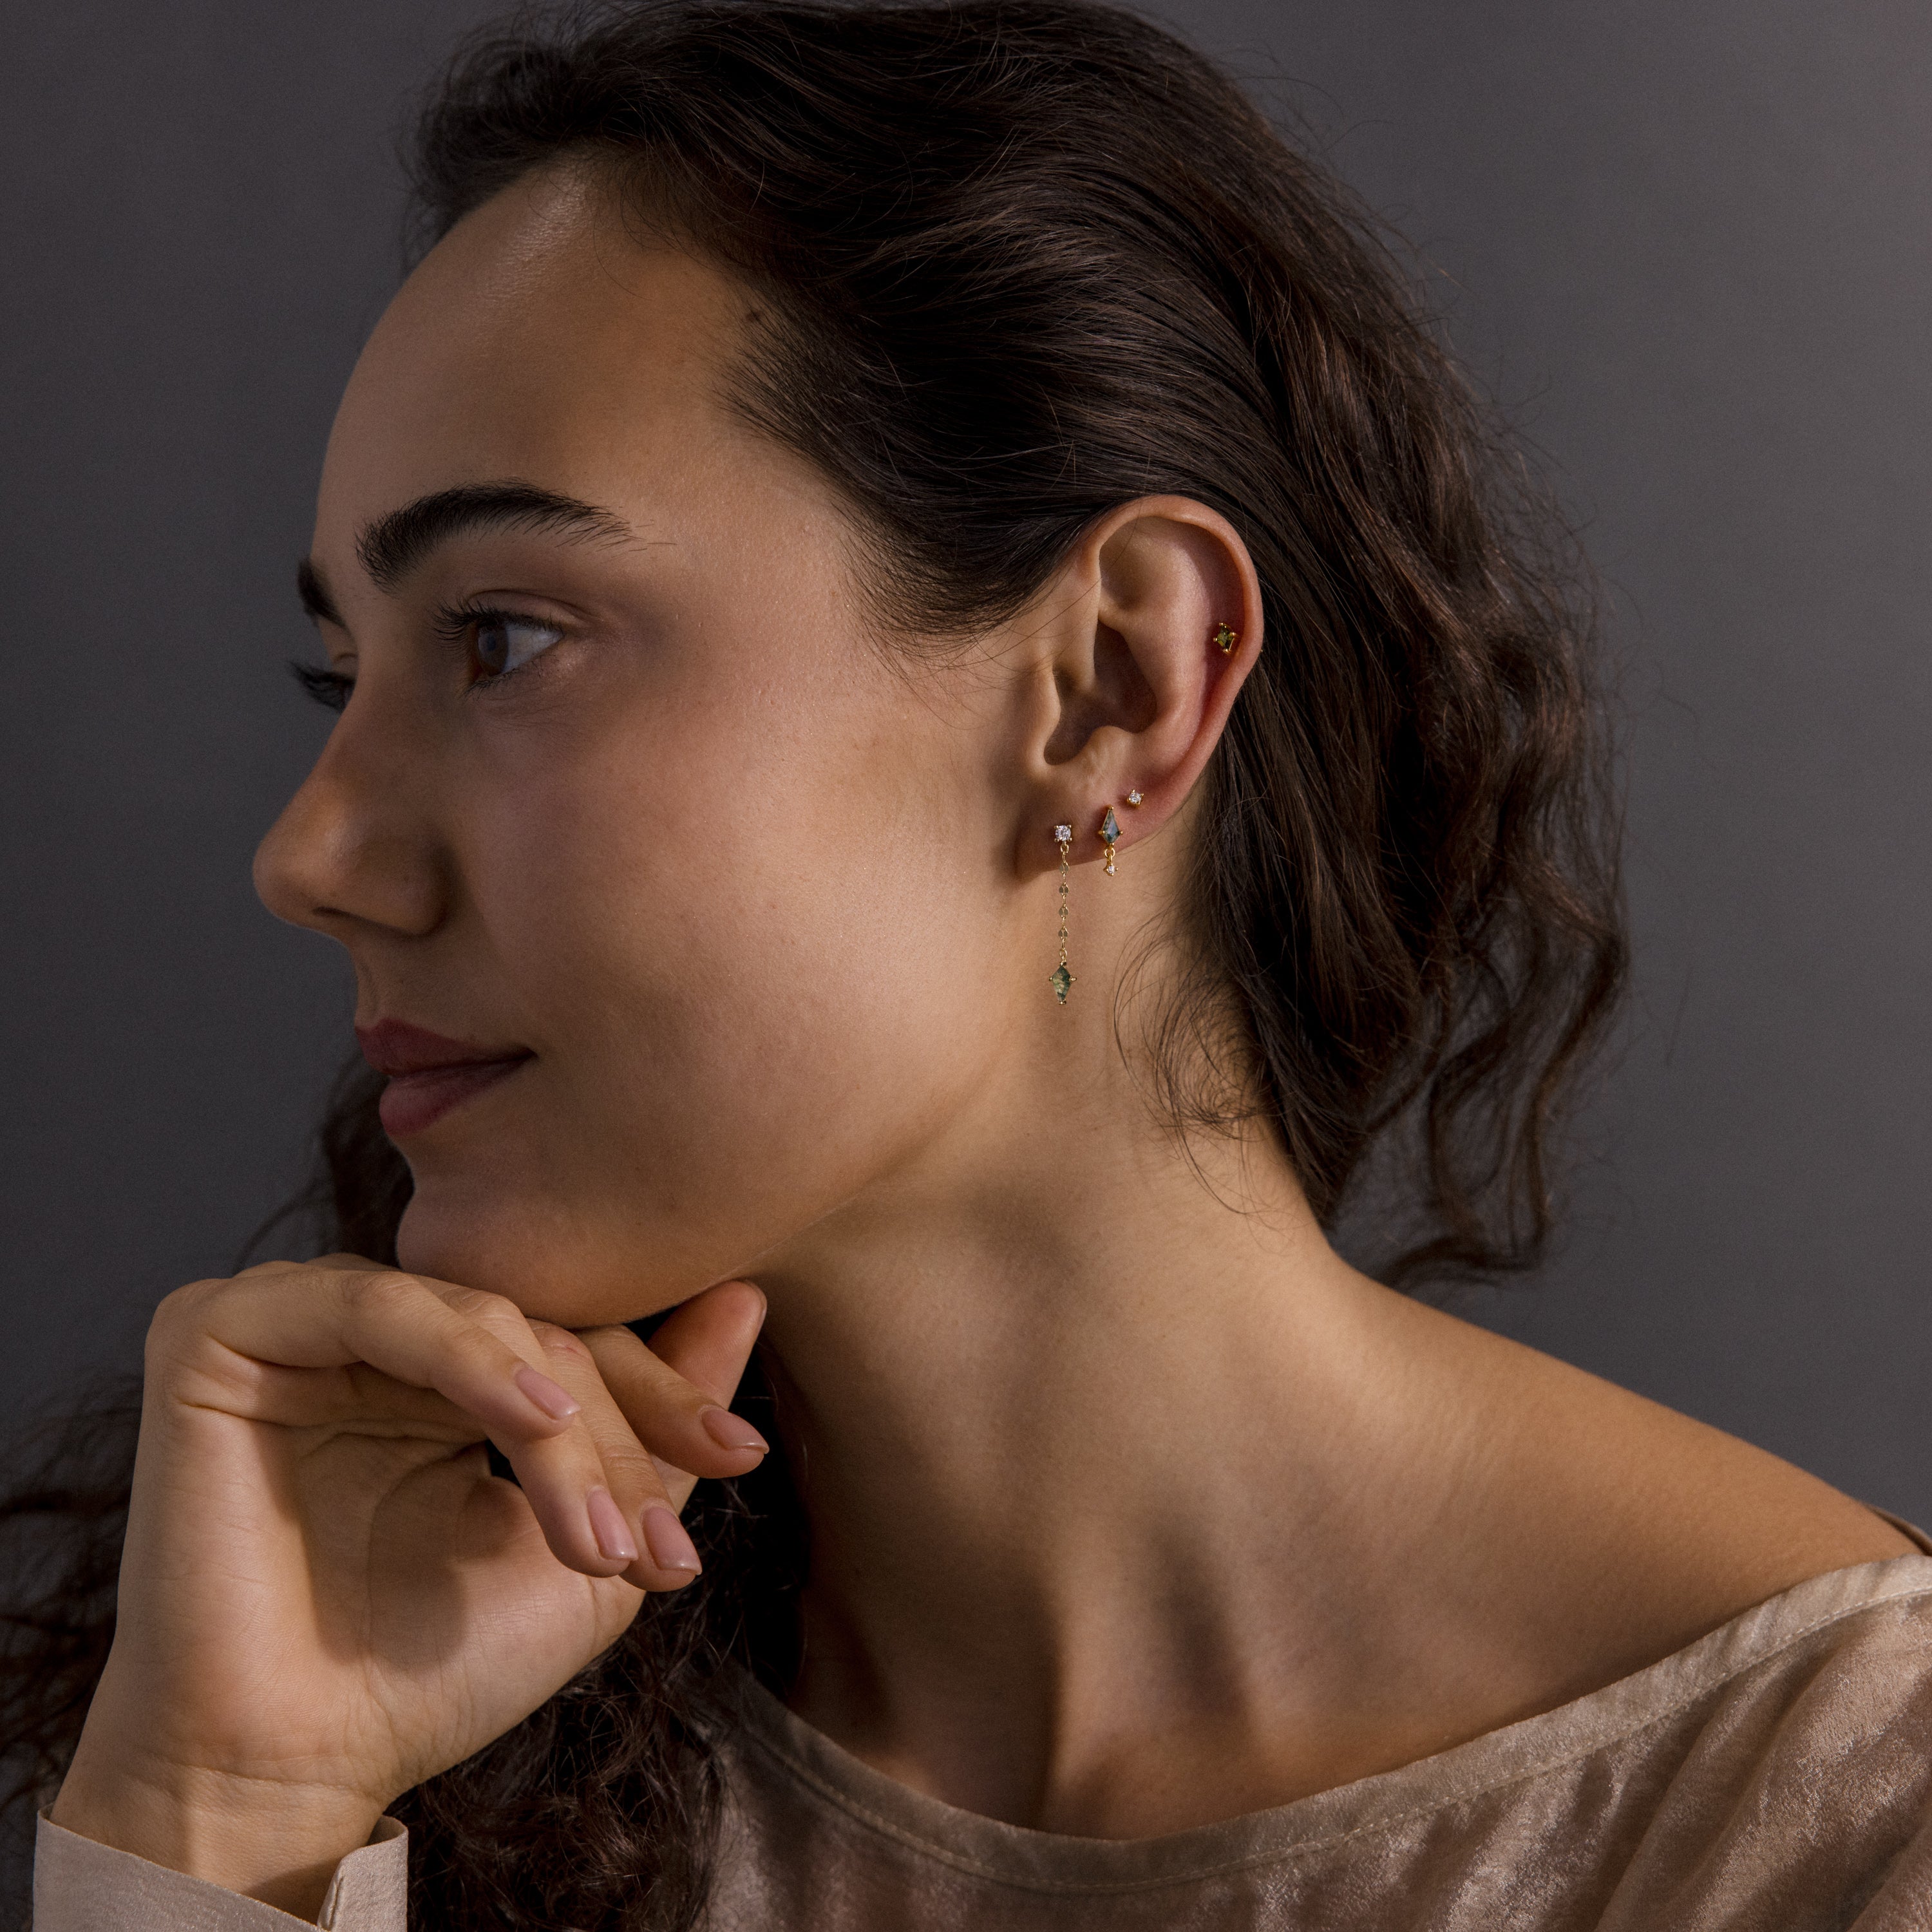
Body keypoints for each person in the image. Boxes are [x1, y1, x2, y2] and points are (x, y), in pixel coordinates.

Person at [21, 1, 1932, 1927]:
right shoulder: (413, 1716)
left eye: (504, 640)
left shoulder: (1845, 1819)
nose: (309, 854)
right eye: (340, 677)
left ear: (1111, 686)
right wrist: (218, 1819)